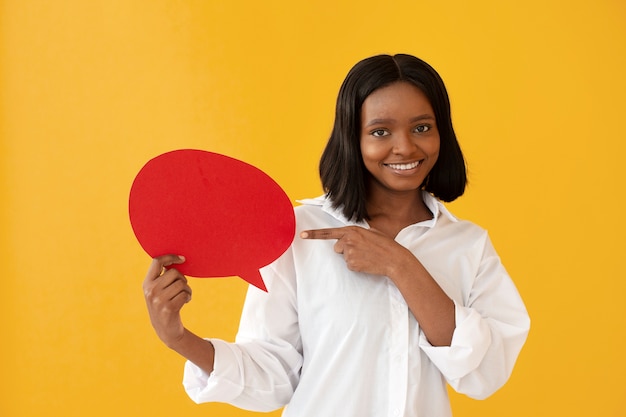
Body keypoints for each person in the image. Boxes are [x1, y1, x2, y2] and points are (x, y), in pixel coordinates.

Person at [142, 53, 530, 417]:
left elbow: (485, 372)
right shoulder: (300, 233)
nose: (405, 146)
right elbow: (274, 372)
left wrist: (401, 265)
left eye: (422, 127)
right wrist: (179, 338)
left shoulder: (468, 245)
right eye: (380, 131)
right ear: (352, 138)